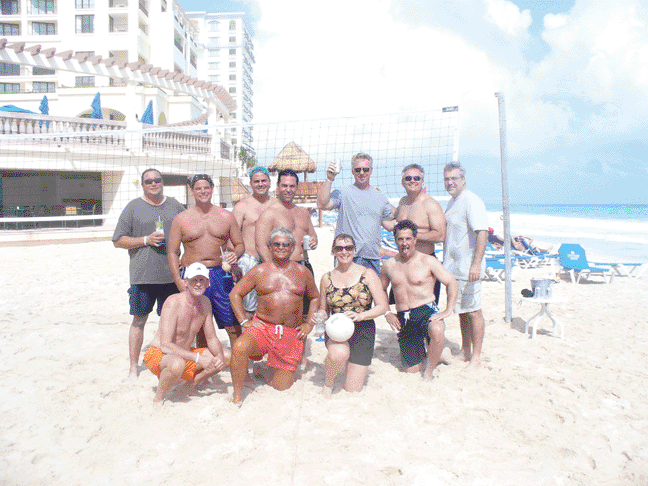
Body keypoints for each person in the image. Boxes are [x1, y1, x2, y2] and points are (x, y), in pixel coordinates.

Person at [229, 227, 319, 405]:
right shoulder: (259, 271)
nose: (281, 247)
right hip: (263, 328)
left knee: (282, 386)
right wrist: (244, 321)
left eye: (286, 244)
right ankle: (237, 397)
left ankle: (263, 369)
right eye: (276, 244)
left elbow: (315, 297)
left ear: (292, 247)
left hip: (290, 332)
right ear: (269, 246)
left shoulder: (303, 272)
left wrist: (309, 323)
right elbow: (235, 294)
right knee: (239, 346)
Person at [112, 168, 185, 379]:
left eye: (157, 180)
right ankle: (133, 367)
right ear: (143, 184)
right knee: (139, 320)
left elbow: (190, 231)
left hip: (172, 275)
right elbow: (118, 240)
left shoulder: (175, 205)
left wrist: (187, 257)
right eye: (148, 181)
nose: (153, 183)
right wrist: (146, 240)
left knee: (172, 323)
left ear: (162, 182)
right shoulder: (133, 207)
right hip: (143, 275)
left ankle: (168, 362)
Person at [167, 174, 244, 347]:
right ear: (192, 191)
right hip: (193, 274)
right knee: (198, 326)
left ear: (212, 189)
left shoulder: (226, 216)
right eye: (198, 188)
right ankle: (204, 362)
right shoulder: (181, 218)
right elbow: (172, 252)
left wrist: (236, 254)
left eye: (206, 187)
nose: (203, 191)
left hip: (220, 273)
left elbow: (239, 244)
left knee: (233, 324)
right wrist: (178, 280)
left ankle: (238, 362)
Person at [380, 220, 458, 380]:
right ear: (395, 240)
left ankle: (429, 372)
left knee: (437, 330)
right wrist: (387, 312)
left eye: (408, 238)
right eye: (400, 239)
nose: (404, 243)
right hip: (405, 318)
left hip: (426, 311)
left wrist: (448, 309)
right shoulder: (389, 265)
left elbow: (452, 282)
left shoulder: (427, 261)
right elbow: (381, 289)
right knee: (411, 370)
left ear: (415, 240)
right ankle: (439, 354)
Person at [143, 262, 230, 404]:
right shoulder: (173, 302)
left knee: (226, 357)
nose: (198, 284)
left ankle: (190, 385)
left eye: (202, 280)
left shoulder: (205, 303)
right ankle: (158, 399)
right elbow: (165, 345)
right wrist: (198, 358)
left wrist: (219, 357)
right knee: (177, 364)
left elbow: (212, 338)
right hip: (159, 354)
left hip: (185, 354)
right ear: (185, 282)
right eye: (194, 280)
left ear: (208, 283)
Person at [318, 233, 389, 396]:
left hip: (363, 329)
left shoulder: (368, 274)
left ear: (354, 250)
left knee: (352, 389)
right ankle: (328, 382)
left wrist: (361, 316)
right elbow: (323, 309)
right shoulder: (326, 278)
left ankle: (348, 362)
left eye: (348, 248)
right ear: (334, 251)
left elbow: (382, 306)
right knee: (339, 353)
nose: (344, 252)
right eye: (339, 248)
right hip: (337, 330)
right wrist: (320, 317)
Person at [443, 161, 488, 371]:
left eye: (454, 178)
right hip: (453, 269)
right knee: (462, 311)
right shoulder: (452, 202)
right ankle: (465, 351)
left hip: (469, 269)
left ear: (463, 179)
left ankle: (476, 357)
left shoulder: (472, 201)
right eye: (447, 179)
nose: (450, 182)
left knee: (474, 312)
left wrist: (476, 264)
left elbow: (482, 232)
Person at [317, 153, 394, 274]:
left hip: (372, 258)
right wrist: (329, 179)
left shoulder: (380, 197)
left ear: (371, 171)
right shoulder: (343, 193)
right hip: (347, 256)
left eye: (365, 169)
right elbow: (322, 204)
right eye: (358, 170)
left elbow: (389, 225)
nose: (362, 173)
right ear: (352, 171)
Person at [255, 168, 318, 317]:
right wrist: (275, 271)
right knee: (282, 315)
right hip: (281, 268)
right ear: (278, 186)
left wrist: (314, 241)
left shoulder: (303, 212)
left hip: (304, 266)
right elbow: (261, 246)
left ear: (296, 187)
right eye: (284, 185)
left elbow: (312, 235)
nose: (288, 189)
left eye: (292, 186)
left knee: (305, 314)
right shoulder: (269, 213)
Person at [385, 163, 447, 301]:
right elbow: (394, 222)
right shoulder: (403, 202)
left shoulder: (430, 204)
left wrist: (412, 236)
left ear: (422, 181)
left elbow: (440, 235)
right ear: (402, 182)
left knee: (426, 311)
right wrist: (379, 199)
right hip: (402, 264)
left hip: (423, 264)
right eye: (408, 178)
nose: (412, 181)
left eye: (416, 178)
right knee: (399, 308)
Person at [231, 166, 274, 319]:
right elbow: (231, 236)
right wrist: (234, 264)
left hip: (273, 261)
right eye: (256, 181)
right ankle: (249, 333)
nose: (260, 184)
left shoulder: (277, 205)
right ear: (250, 184)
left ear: (269, 182)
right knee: (248, 309)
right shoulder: (242, 207)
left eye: (263, 180)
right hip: (248, 260)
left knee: (272, 304)